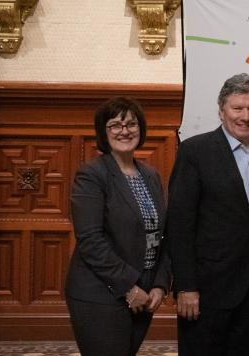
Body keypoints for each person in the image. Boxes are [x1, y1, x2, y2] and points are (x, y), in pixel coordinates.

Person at [167, 73, 249, 356]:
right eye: (237, 108)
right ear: (221, 111)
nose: (245, 116)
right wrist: (185, 286)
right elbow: (180, 224)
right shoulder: (195, 151)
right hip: (205, 289)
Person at [65, 97, 170, 356]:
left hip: (143, 294)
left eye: (132, 124)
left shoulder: (150, 175)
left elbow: (162, 234)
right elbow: (90, 240)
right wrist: (128, 287)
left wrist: (159, 284)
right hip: (101, 294)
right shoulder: (92, 175)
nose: (125, 131)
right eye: (115, 125)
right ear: (103, 132)